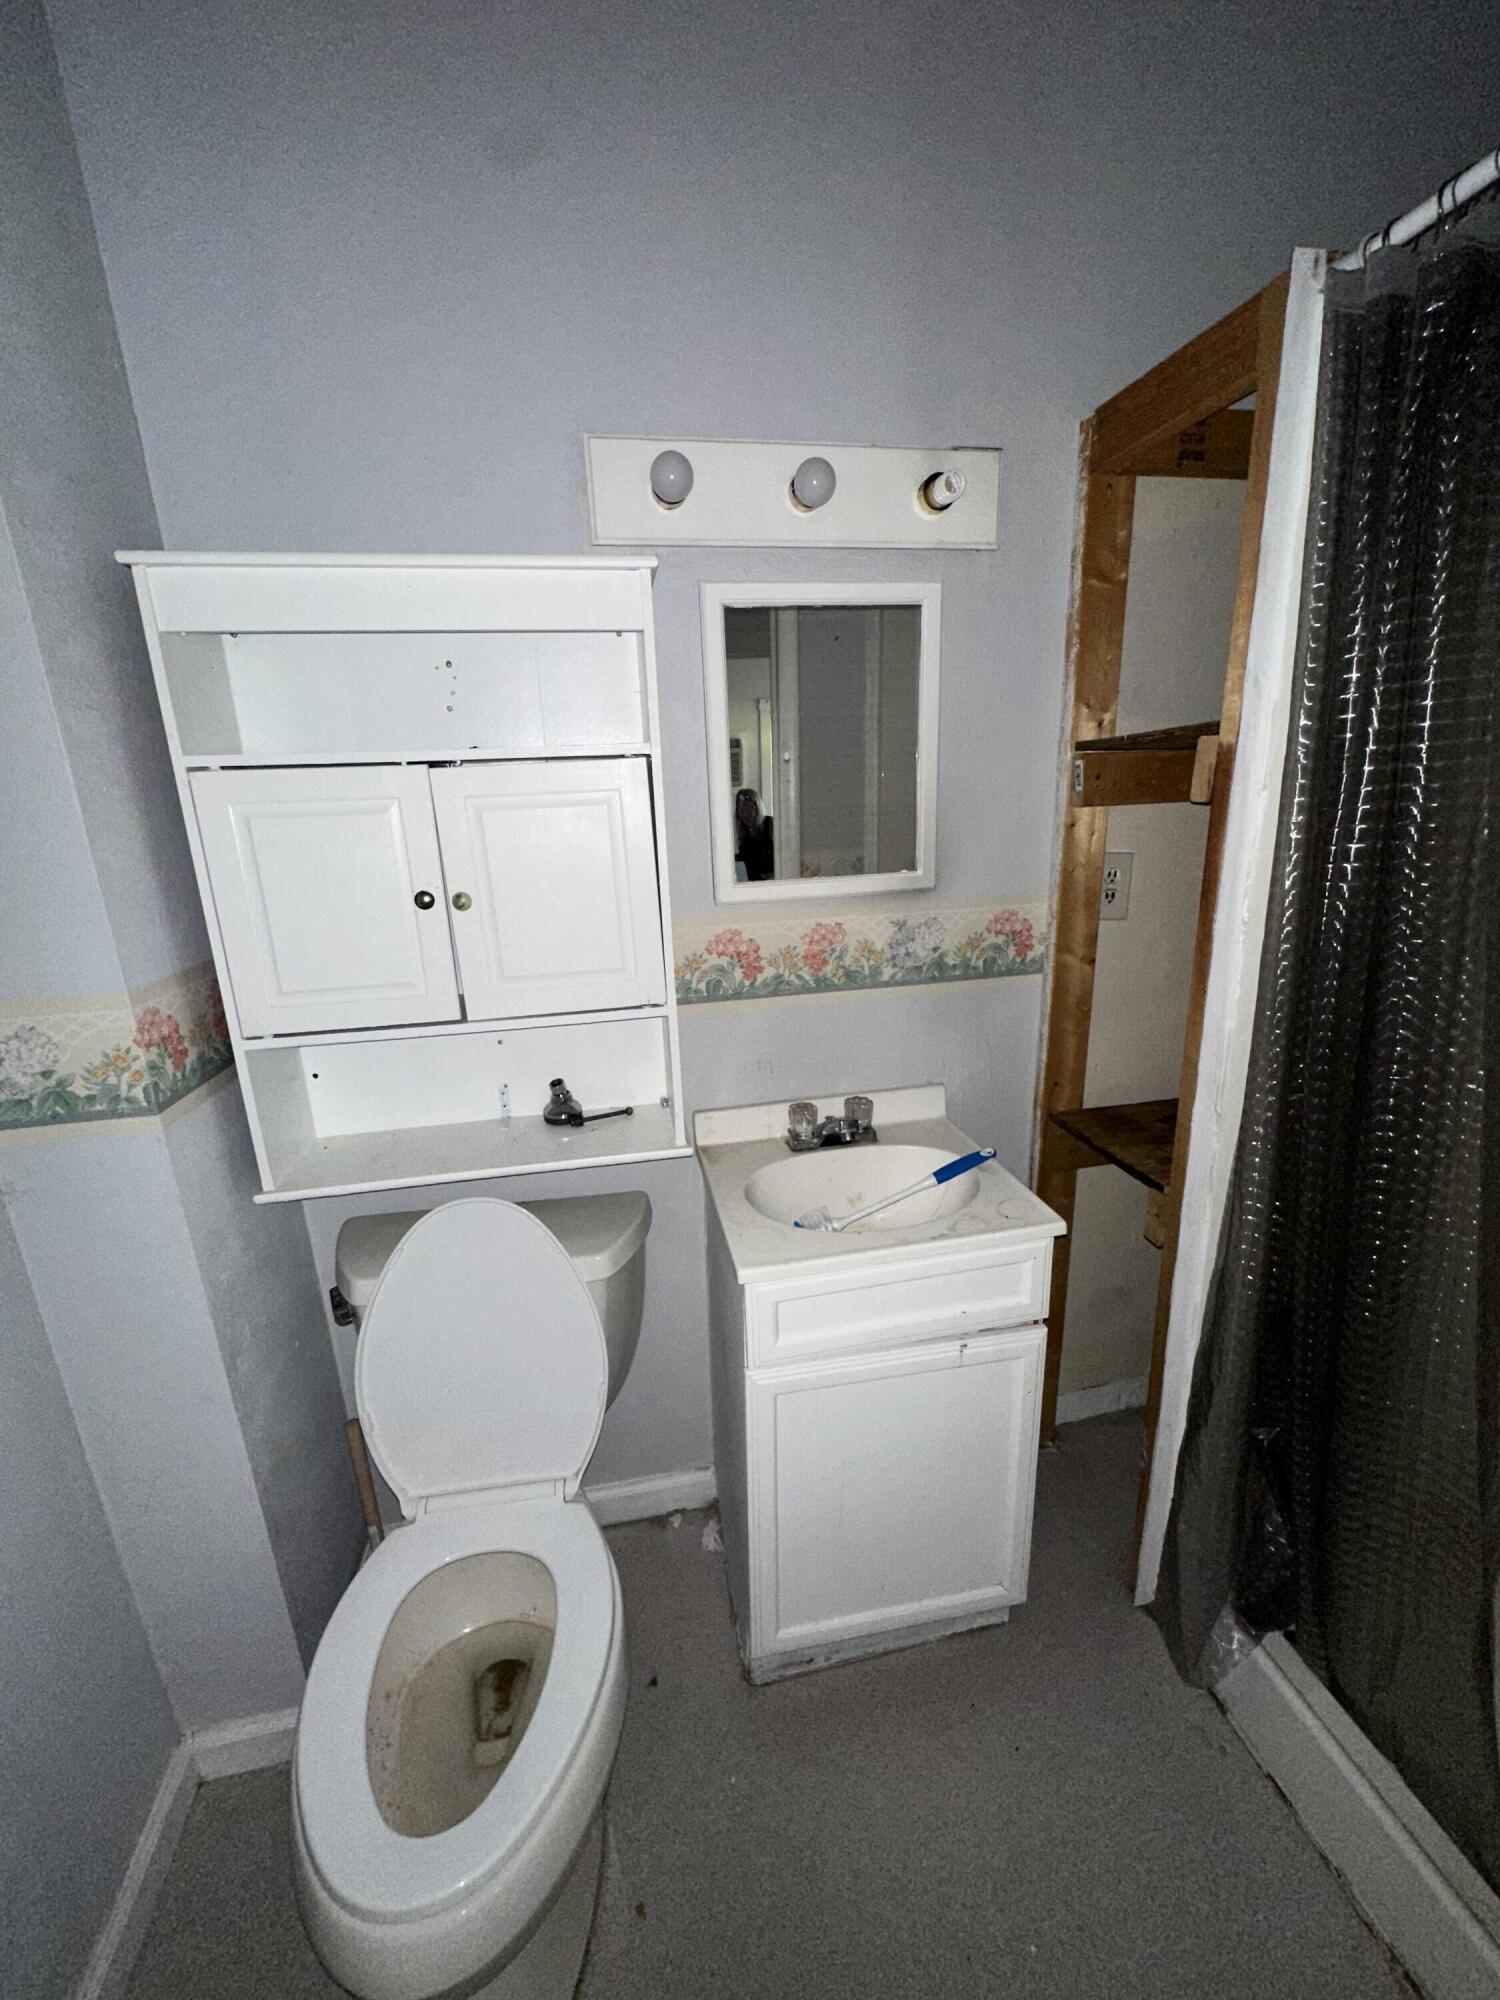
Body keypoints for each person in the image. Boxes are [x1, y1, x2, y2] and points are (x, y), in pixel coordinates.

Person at [734, 788, 775, 881]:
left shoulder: (770, 824)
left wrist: (776, 875)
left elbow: (787, 854)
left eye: (749, 808)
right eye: (741, 810)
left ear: (758, 807)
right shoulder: (744, 834)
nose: (745, 814)